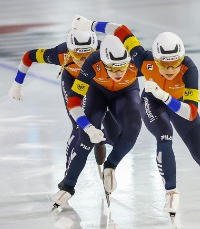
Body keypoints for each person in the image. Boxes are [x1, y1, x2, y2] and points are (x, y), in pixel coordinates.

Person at [71, 16, 200, 218]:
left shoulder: (189, 69)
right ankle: (170, 191)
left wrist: (166, 97)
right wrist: (89, 25)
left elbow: (191, 112)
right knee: (164, 137)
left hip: (177, 104)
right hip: (153, 103)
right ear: (155, 59)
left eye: (174, 63)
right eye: (163, 64)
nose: (169, 70)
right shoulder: (143, 59)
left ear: (181, 60)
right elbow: (120, 30)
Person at [8, 30, 120, 186]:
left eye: (88, 54)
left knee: (115, 134)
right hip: (73, 83)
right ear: (69, 52)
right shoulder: (60, 54)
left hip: (98, 84)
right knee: (78, 127)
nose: (82, 60)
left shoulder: (106, 52)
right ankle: (68, 175)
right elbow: (29, 56)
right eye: (77, 54)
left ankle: (102, 138)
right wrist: (16, 85)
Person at [51, 35, 142, 209]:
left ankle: (110, 165)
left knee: (133, 129)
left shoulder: (139, 61)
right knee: (85, 138)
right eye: (113, 68)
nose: (118, 73)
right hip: (97, 93)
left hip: (126, 93)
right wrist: (89, 127)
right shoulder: (92, 63)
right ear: (102, 62)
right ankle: (68, 185)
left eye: (122, 67)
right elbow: (73, 102)